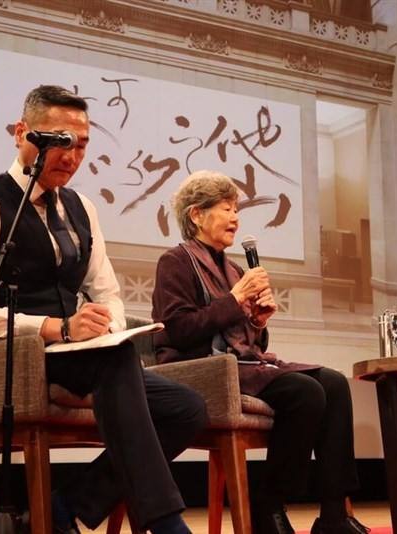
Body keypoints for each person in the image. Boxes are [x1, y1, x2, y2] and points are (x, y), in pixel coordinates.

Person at [0, 85, 207, 534]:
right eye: (61, 141)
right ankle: (165, 524)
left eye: (82, 144)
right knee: (116, 361)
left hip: (77, 356)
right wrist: (56, 328)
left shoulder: (81, 208)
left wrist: (108, 327)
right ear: (22, 133)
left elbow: (107, 291)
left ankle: (64, 508)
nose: (72, 155)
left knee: (187, 408)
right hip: (7, 354)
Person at [150, 170, 368, 534]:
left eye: (237, 209)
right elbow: (179, 331)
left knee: (334, 383)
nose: (236, 217)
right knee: (305, 392)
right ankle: (268, 504)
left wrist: (259, 322)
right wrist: (236, 299)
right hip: (198, 369)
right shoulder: (175, 261)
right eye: (226, 208)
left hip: (242, 365)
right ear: (196, 215)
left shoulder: (234, 267)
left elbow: (248, 342)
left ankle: (333, 514)